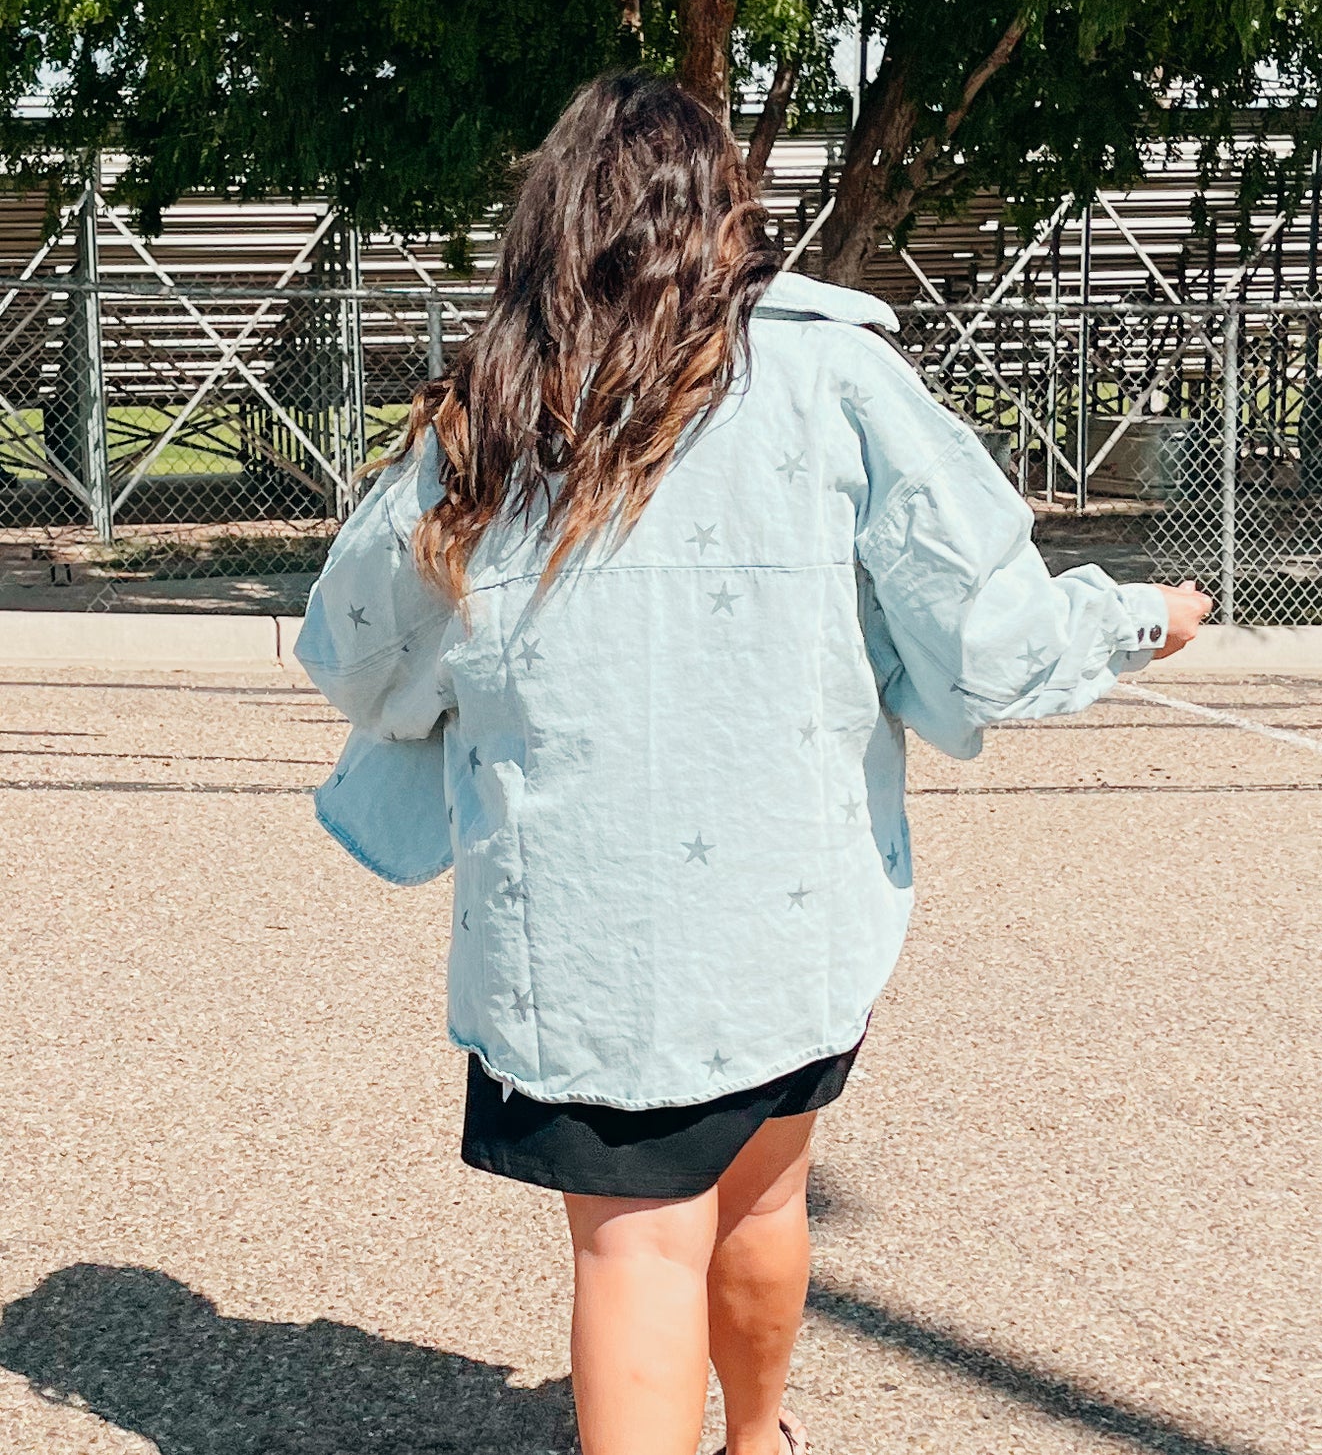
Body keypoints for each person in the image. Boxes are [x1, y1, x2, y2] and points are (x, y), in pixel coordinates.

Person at [297, 71, 1210, 1455]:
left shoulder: (491, 404)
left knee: (631, 1257)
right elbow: (991, 636)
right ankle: (757, 1436)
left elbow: (349, 651)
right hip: (782, 929)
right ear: (724, 215)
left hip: (576, 942)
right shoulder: (834, 376)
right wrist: (1139, 618)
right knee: (767, 1199)